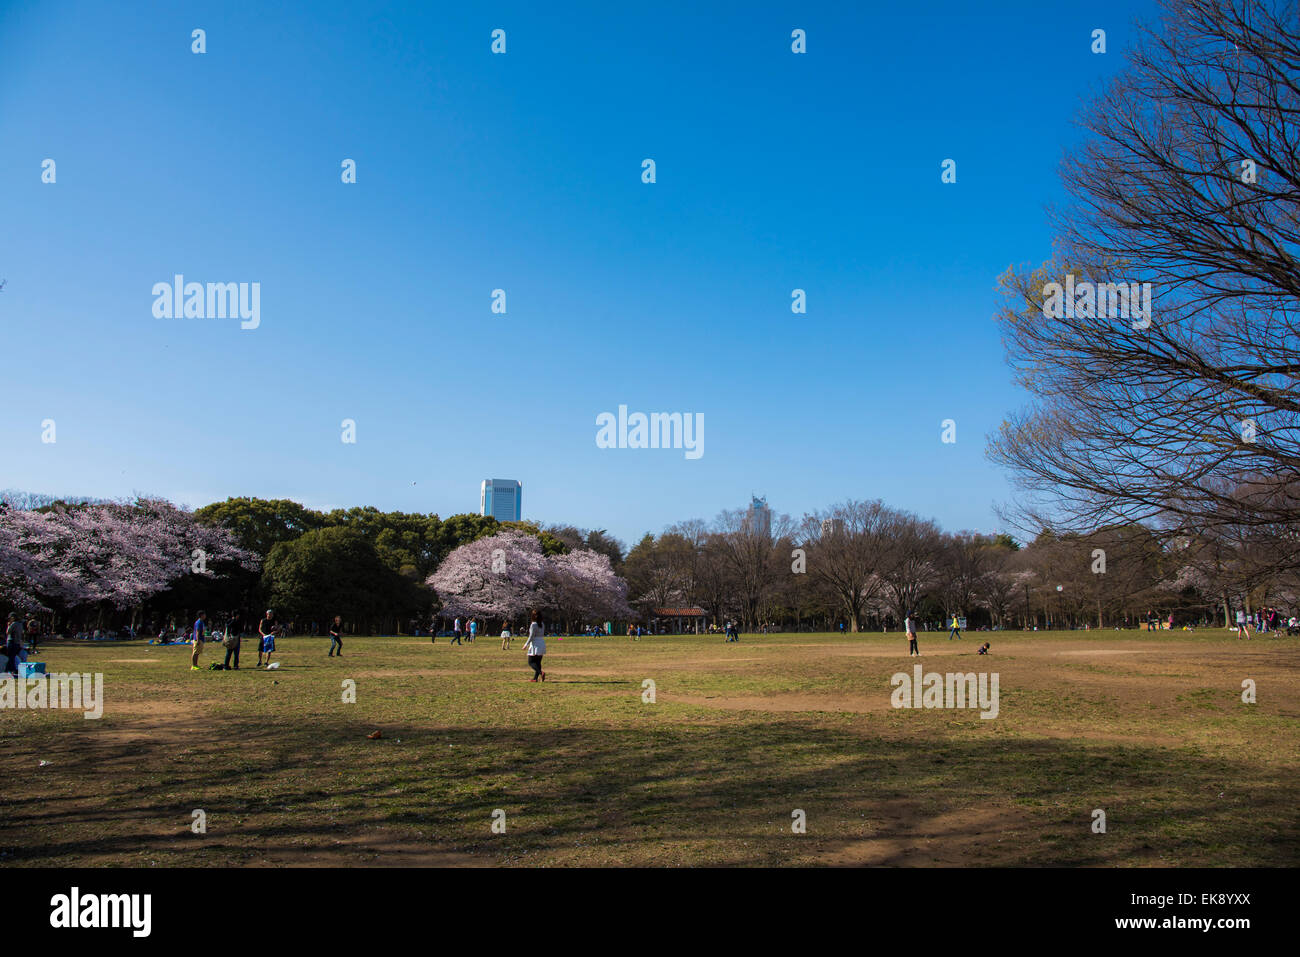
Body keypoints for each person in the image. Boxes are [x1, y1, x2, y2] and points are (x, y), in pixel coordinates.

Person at [524, 610, 546, 682]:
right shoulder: (542, 624)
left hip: (535, 643)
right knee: (538, 662)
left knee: (531, 662)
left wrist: (526, 644)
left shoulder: (533, 624)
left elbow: (531, 636)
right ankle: (535, 678)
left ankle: (541, 673)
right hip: (541, 642)